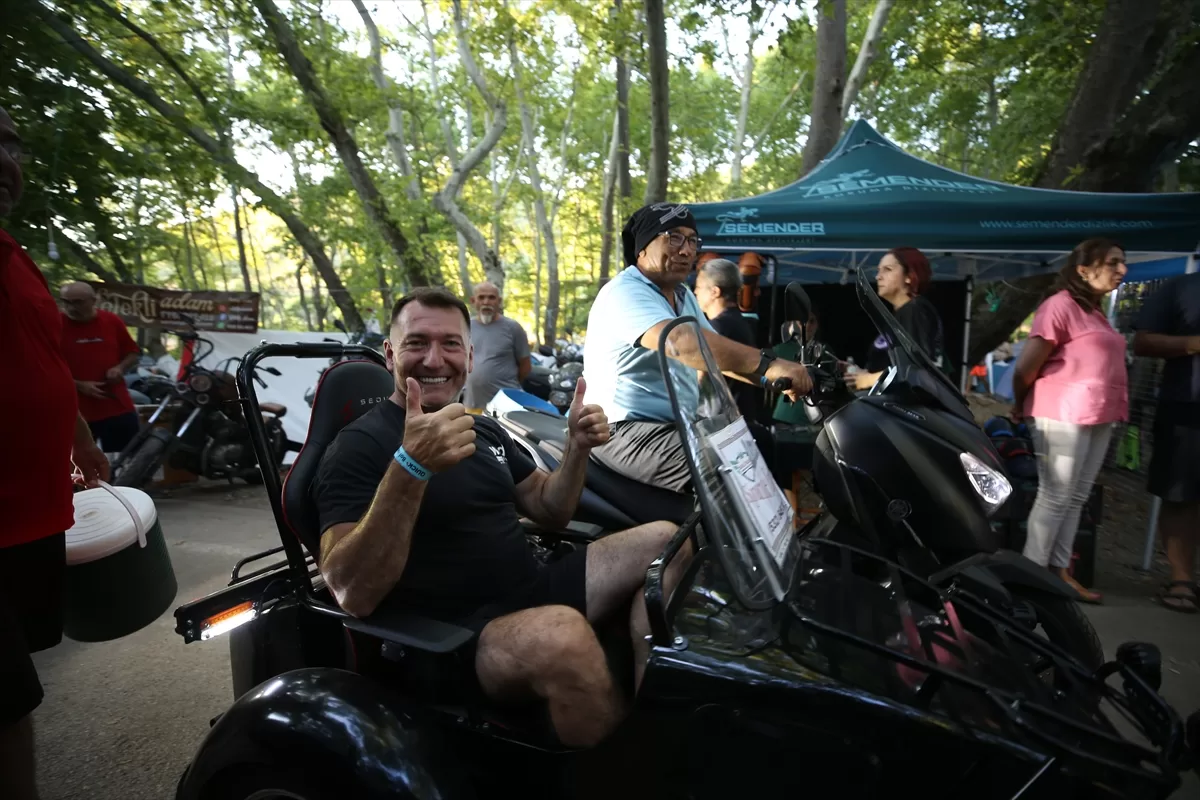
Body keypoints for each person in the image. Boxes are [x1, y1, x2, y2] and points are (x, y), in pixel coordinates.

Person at [312, 287, 685, 748]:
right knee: (563, 636)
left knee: (667, 539)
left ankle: (651, 713)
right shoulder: (356, 447)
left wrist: (577, 449)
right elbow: (353, 592)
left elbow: (550, 509)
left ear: (470, 356)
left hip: (530, 589)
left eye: (450, 344)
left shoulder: (484, 428)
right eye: (417, 343)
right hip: (450, 636)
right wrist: (411, 466)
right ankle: (619, 771)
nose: (434, 359)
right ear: (390, 354)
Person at [1, 105, 109, 800]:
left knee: (22, 666)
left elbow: (44, 363)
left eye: (11, 145)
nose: (3, 160)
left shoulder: (17, 258)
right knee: (10, 700)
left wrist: (82, 440)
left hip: (34, 514)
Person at [584, 203, 811, 494]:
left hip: (677, 426)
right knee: (725, 467)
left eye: (692, 241)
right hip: (619, 429)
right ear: (642, 248)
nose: (686, 250)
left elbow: (713, 356)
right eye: (674, 238)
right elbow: (680, 342)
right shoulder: (625, 291)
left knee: (759, 441)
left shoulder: (682, 296)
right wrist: (769, 364)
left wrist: (774, 380)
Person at [1010, 238, 1128, 604]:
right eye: (1113, 262)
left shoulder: (1095, 311)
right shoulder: (1059, 305)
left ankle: (1059, 572)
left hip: (1099, 413)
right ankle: (1030, 580)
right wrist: (1020, 404)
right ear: (1083, 270)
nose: (1122, 270)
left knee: (1076, 497)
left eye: (1122, 262)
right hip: (1061, 412)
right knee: (1055, 495)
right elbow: (1025, 368)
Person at [1132, 269, 1200, 613]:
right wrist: (1193, 343)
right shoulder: (1181, 287)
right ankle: (1182, 580)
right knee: (1180, 495)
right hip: (1186, 409)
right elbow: (1142, 342)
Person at [59, 281, 142, 454]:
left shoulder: (111, 321)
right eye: (66, 302)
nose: (71, 307)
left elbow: (133, 352)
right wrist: (77, 384)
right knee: (74, 463)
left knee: (126, 458)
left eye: (78, 302)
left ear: (93, 300)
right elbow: (43, 366)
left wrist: (120, 368)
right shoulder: (54, 325)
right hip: (73, 411)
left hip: (115, 405)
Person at [849, 247, 944, 391]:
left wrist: (869, 379)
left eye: (887, 269)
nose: (878, 276)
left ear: (909, 276)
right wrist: (861, 374)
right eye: (878, 270)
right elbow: (893, 366)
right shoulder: (900, 314)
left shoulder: (915, 310)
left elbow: (915, 370)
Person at [694, 258, 757, 420]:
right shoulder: (740, 323)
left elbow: (698, 377)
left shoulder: (716, 328)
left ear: (715, 292)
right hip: (739, 418)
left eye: (699, 287)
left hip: (719, 423)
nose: (695, 292)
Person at [462, 281, 531, 412]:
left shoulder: (513, 328)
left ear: (499, 301)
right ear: (473, 301)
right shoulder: (466, 327)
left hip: (505, 407)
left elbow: (526, 366)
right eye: (481, 297)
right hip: (472, 404)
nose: (486, 302)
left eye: (491, 297)